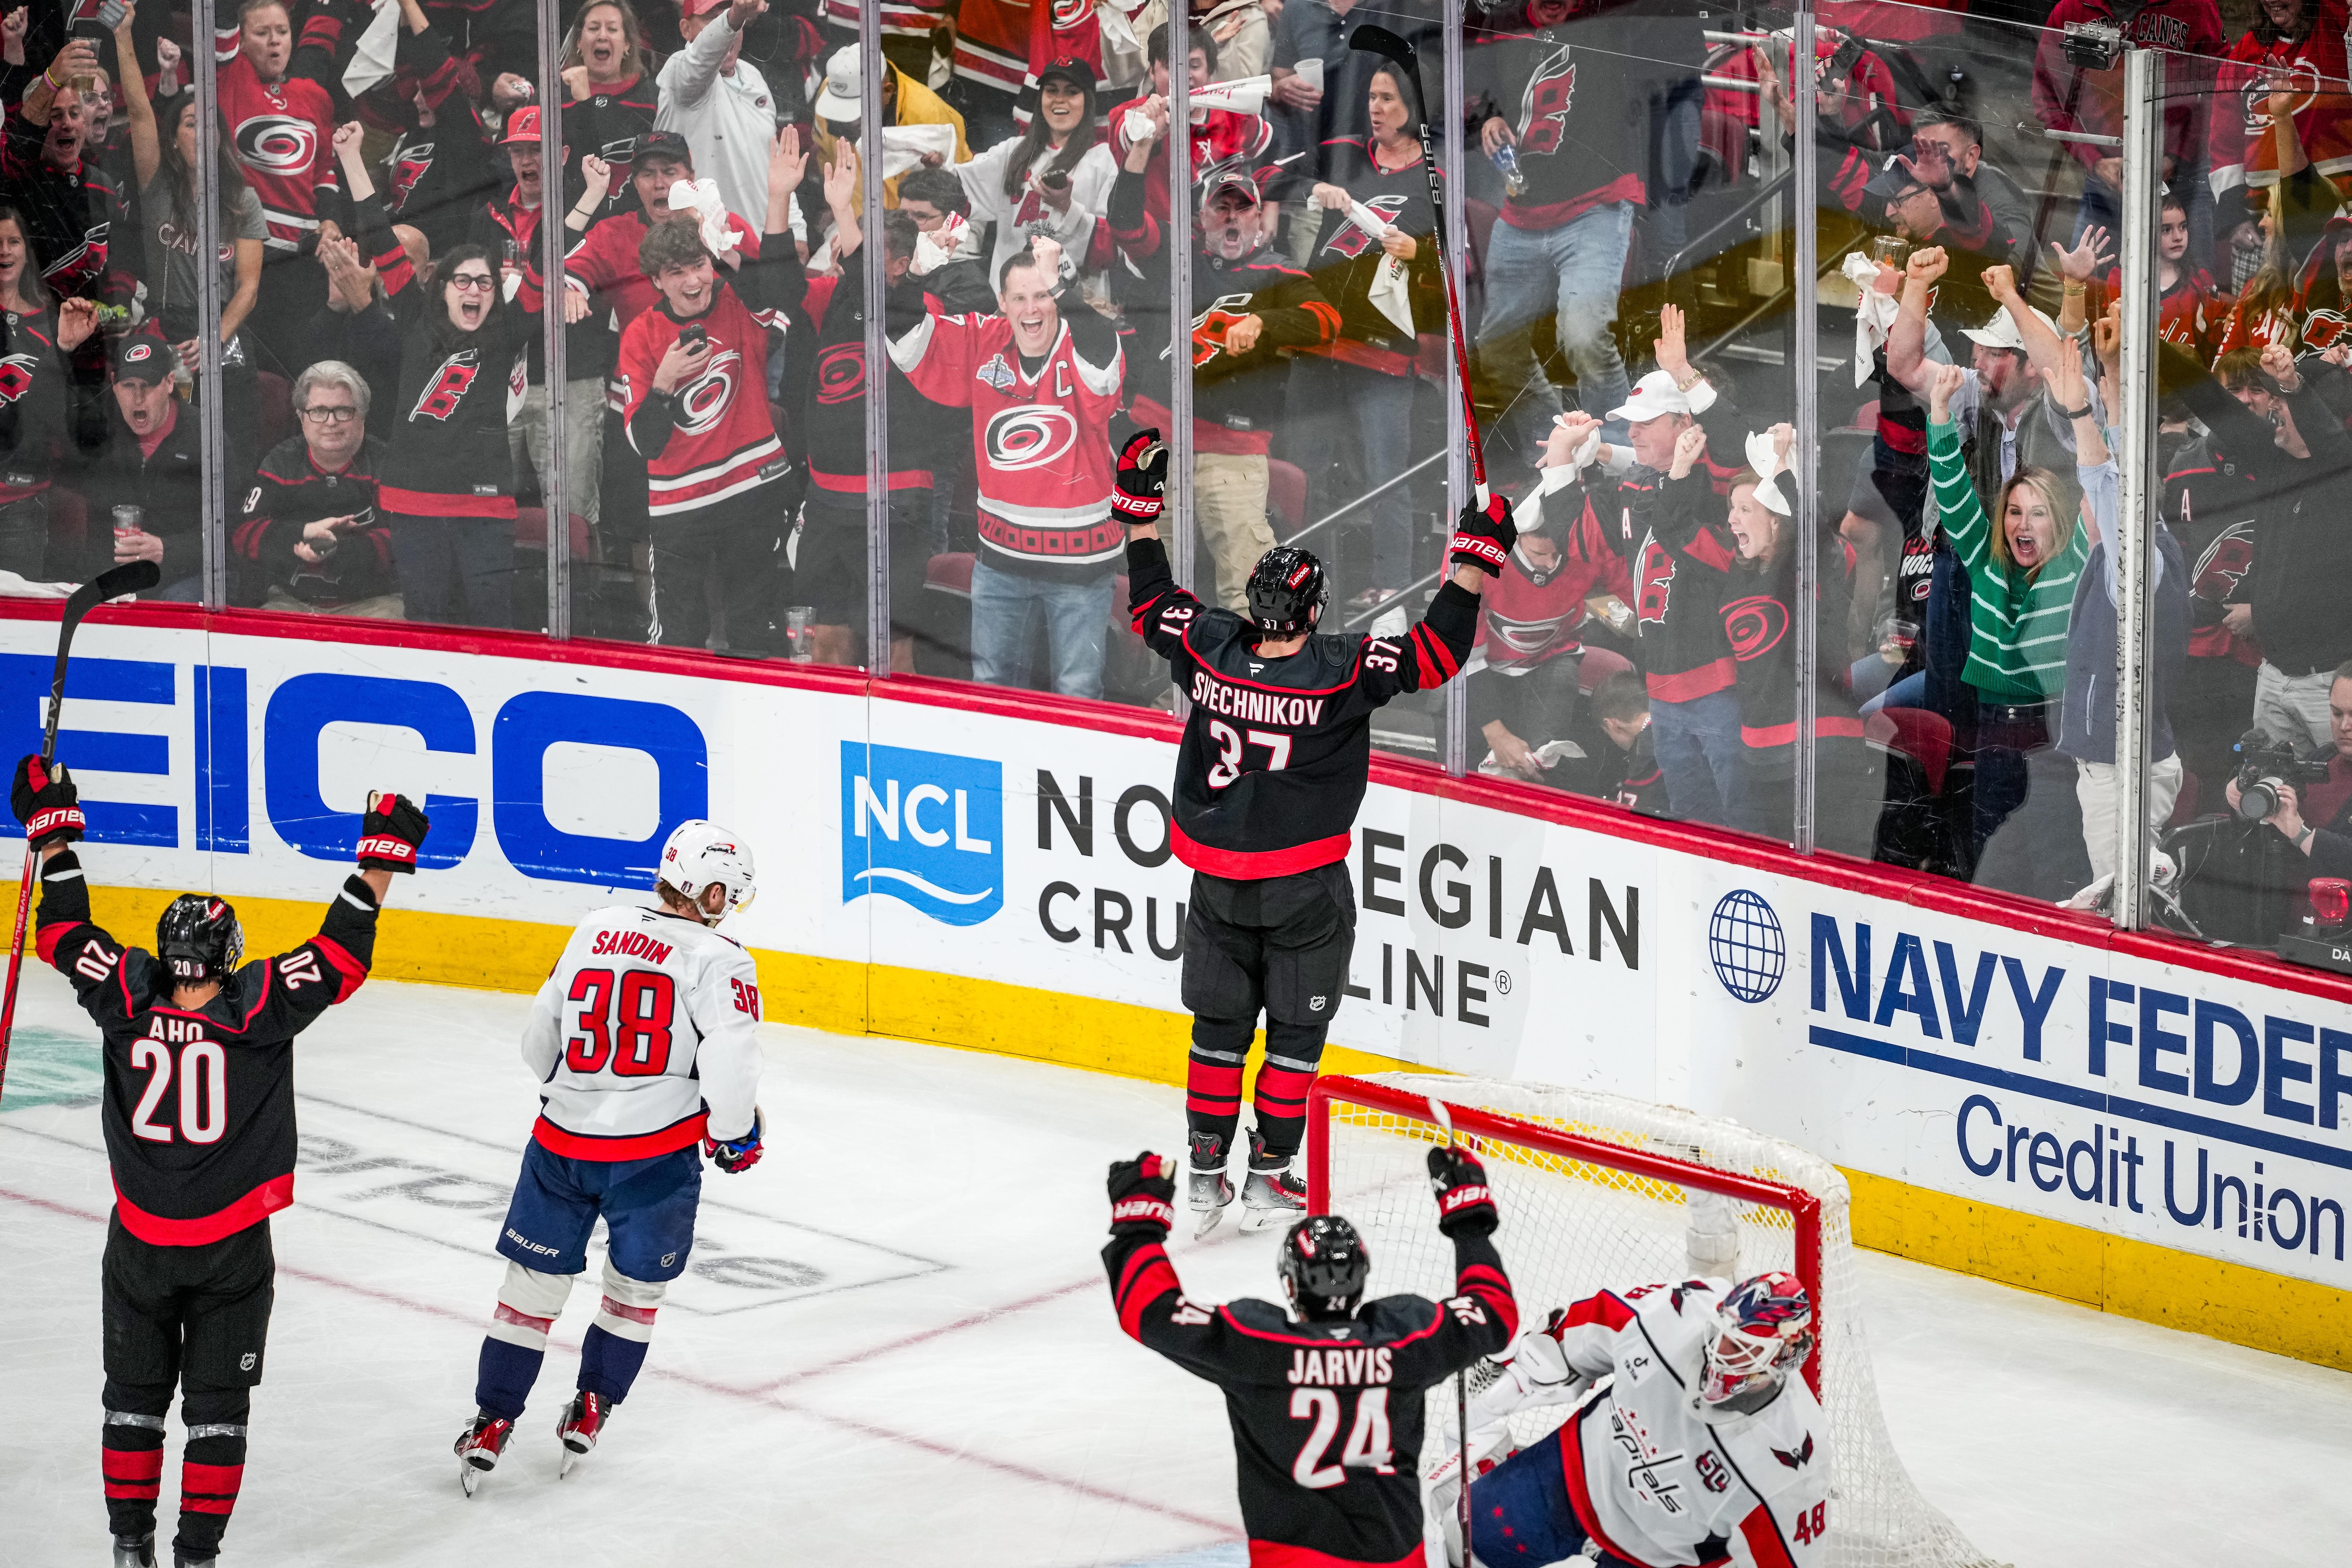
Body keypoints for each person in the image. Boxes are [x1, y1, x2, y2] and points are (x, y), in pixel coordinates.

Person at [12, 756, 426, 1568]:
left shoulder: (126, 991)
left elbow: (62, 934)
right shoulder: (258, 1005)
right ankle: (196, 1557)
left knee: (132, 1402)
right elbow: (339, 956)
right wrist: (378, 858)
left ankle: (129, 1548)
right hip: (231, 1249)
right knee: (217, 1412)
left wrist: (52, 832)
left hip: (139, 1242)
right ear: (229, 953)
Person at [1116, 432, 1511, 1223]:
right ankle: (1269, 1171)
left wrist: (1139, 510)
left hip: (1217, 881)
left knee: (1217, 1029)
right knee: (1295, 1034)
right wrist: (1474, 556)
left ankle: (1204, 1172)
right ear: (1316, 610)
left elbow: (1151, 603)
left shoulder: (1210, 647)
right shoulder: (1339, 668)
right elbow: (1436, 653)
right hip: (1303, 887)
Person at [453, 819, 764, 1490]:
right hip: (654, 1161)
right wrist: (733, 1131)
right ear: (711, 893)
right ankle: (593, 1406)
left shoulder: (595, 928)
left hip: (559, 1147)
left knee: (528, 1293)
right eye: (728, 895)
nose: (729, 908)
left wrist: (571, 1097)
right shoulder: (721, 958)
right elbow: (732, 1061)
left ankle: (491, 1421)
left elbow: (539, 1040)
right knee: (634, 1293)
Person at [1100, 1144, 1516, 1567]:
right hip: (1396, 1554)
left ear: (1291, 1283)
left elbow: (1149, 1311)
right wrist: (1469, 1224)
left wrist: (1139, 1226)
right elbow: (1495, 1310)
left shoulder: (1258, 1345)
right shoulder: (1408, 1339)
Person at [1432, 1273, 1828, 1568]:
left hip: (1656, 1557)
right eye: (1722, 1333)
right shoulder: (1681, 1314)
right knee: (1461, 1540)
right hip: (1577, 1472)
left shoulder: (1793, 1457)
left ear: (1783, 1355)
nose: (1719, 1352)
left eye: (1741, 1347)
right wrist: (1533, 1367)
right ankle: (1499, 1467)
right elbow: (1595, 1320)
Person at [885, 236, 1125, 698]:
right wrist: (913, 278)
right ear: (1002, 302)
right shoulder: (984, 339)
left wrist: (1063, 288)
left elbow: (1103, 366)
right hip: (1001, 563)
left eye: (1042, 296)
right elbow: (906, 340)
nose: (1031, 309)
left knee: (1077, 689)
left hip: (1080, 565)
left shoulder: (1081, 340)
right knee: (993, 688)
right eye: (1019, 298)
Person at [1468, 0, 1704, 461]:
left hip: (1596, 205)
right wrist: (1490, 116)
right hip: (1522, 212)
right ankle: (1558, 448)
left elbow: (1673, 47)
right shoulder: (1506, 18)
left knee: (1583, 337)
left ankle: (1619, 458)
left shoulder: (1605, 16)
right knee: (1496, 345)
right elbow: (1489, 88)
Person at [339, 120, 546, 626]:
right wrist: (350, 159)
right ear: (441, 286)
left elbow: (552, 259)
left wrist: (590, 197)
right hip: (414, 499)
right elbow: (380, 235)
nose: (474, 290)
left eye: (485, 282)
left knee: (493, 620)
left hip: (486, 503)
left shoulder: (506, 330)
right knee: (425, 618)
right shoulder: (416, 316)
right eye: (463, 280)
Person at [617, 129, 805, 653]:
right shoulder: (641, 336)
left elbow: (783, 291)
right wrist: (663, 383)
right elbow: (645, 442)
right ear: (657, 281)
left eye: (699, 265)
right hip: (679, 505)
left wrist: (776, 199)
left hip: (752, 491)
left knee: (752, 633)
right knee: (678, 638)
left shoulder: (735, 301)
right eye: (676, 272)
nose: (693, 281)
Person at [562, 131, 756, 637]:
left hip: (725, 399)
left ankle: (722, 632)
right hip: (645, 396)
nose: (659, 183)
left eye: (670, 172)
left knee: (726, 529)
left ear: (690, 178)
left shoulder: (722, 223)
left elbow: (768, 284)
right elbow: (564, 271)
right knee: (645, 527)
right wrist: (570, 287)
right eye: (647, 174)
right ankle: (664, 628)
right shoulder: (614, 232)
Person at [1924, 346, 2100, 898]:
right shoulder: (1984, 557)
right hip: (1996, 725)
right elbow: (1952, 491)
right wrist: (1938, 412)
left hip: (2054, 728)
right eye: (2015, 512)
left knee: (2052, 858)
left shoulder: (2074, 560)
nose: (2023, 524)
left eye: (2037, 513)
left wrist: (2085, 412)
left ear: (2057, 521)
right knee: (1992, 857)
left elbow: (2101, 487)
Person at [1122, 169, 1339, 612]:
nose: (1232, 218)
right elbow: (1125, 223)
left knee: (1248, 591)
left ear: (1260, 219)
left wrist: (1263, 321)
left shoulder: (1279, 271)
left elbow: (1327, 321)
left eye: (1243, 209)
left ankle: (1246, 662)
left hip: (1234, 449)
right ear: (1202, 218)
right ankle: (1166, 662)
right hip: (1160, 442)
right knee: (1155, 587)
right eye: (1221, 208)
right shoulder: (1177, 254)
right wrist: (1139, 155)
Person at [1660, 423, 1881, 855]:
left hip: (1824, 751)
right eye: (1732, 508)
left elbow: (1810, 526)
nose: (1731, 518)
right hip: (1762, 758)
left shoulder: (1813, 565)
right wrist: (1681, 467)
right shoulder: (1733, 570)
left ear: (1777, 521)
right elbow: (1674, 530)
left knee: (1837, 870)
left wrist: (1782, 467)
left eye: (1745, 509)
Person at [777, 144, 943, 670]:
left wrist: (844, 211)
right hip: (827, 502)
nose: (852, 259)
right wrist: (778, 200)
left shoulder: (924, 307)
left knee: (892, 652)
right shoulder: (831, 297)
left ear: (901, 264)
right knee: (825, 645)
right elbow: (778, 287)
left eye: (868, 252)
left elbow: (880, 299)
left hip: (894, 502)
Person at [1299, 59, 1439, 615]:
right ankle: (1301, 582)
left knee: (1386, 474)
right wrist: (1315, 187)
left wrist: (1419, 251)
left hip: (1383, 349)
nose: (1375, 109)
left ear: (1414, 107)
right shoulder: (1345, 154)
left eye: (1387, 99)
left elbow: (1462, 263)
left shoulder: (1436, 176)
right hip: (1318, 337)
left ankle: (1391, 588)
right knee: (1304, 470)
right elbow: (1267, 179)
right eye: (1371, 98)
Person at [1468, 414, 1636, 789]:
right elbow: (1461, 653)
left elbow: (1639, 594)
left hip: (1551, 658)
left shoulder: (1582, 543)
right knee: (1476, 766)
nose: (1549, 564)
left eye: (1557, 554)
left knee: (1539, 764)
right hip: (1483, 667)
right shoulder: (1477, 555)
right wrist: (1495, 733)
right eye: (1538, 554)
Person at [214, 0, 343, 376]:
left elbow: (324, 170)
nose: (275, 42)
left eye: (282, 32)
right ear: (242, 41)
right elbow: (222, 19)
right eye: (262, 33)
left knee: (303, 373)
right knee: (253, 375)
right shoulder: (231, 78)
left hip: (303, 261)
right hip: (249, 254)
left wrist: (330, 219)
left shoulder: (314, 95)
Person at [2031, 0, 2222, 247]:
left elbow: (2219, 88)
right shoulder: (2072, 9)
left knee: (2193, 271)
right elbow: (2049, 98)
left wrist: (2177, 156)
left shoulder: (2196, 6)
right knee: (2087, 270)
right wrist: (2094, 160)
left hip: (2183, 179)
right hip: (2106, 180)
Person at [231, 359, 399, 614]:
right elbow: (243, 533)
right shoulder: (280, 462)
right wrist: (306, 532)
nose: (331, 422)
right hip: (291, 603)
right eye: (319, 411)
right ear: (301, 417)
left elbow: (405, 540)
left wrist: (336, 548)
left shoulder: (386, 463)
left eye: (343, 411)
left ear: (363, 415)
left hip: (375, 604)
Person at [0, 210, 104, 580]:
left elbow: (59, 417)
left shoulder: (53, 319)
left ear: (27, 249)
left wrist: (65, 347)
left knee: (18, 614)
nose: (4, 251)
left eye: (13, 241)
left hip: (23, 503)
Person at [955, 57, 1117, 287]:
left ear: (1088, 101)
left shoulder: (1105, 160)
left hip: (1076, 299)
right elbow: (953, 191)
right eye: (1051, 90)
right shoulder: (1012, 151)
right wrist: (936, 165)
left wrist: (1067, 208)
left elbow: (1111, 250)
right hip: (1009, 296)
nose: (1060, 99)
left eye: (1072, 92)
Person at [72, 334, 207, 597]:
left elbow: (229, 532)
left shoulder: (204, 437)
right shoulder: (102, 435)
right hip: (120, 575)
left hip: (185, 575)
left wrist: (167, 550)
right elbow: (95, 527)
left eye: (148, 385)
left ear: (170, 383)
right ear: (114, 384)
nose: (138, 398)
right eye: (128, 386)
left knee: (177, 600)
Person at [3, 31, 129, 303]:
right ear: (40, 127)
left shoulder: (103, 184)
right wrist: (52, 78)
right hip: (40, 324)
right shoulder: (20, 182)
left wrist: (116, 310)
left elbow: (123, 258)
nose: (68, 124)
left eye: (74, 113)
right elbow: (20, 146)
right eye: (55, 116)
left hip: (96, 323)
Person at [658, 0, 789, 230]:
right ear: (686, 29)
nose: (728, 31)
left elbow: (773, 163)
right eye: (712, 19)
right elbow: (702, 58)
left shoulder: (752, 75)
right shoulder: (678, 71)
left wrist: (796, 230)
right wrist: (734, 17)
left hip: (764, 239)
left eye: (728, 15)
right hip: (702, 242)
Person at [2225, 659, 2352, 880]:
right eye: (2337, 714)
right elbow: (2267, 831)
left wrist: (2299, 833)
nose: (2344, 726)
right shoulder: (2321, 758)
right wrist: (2245, 801)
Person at [808, 42, 970, 214]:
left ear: (887, 91)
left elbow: (958, 197)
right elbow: (825, 155)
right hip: (853, 213)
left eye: (856, 113)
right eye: (839, 109)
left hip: (915, 221)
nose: (848, 123)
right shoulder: (831, 90)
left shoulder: (930, 115)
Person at [558, 0, 661, 229]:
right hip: (570, 222)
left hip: (637, 225)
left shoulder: (652, 96)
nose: (602, 36)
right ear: (579, 42)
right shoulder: (553, 96)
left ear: (627, 44)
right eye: (594, 28)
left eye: (612, 29)